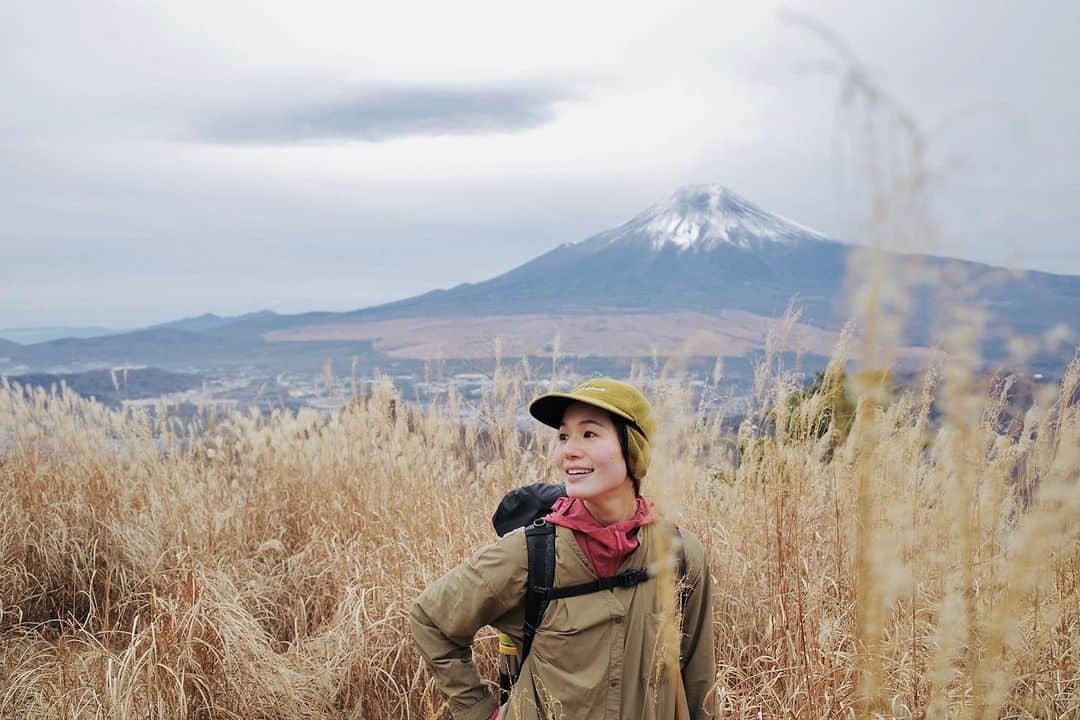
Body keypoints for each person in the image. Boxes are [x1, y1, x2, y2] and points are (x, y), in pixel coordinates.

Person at [409, 378, 715, 719]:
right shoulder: (530, 554)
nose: (567, 450)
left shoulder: (679, 555)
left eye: (589, 434)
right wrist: (481, 713)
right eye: (564, 436)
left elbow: (699, 680)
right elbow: (430, 618)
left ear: (633, 451)